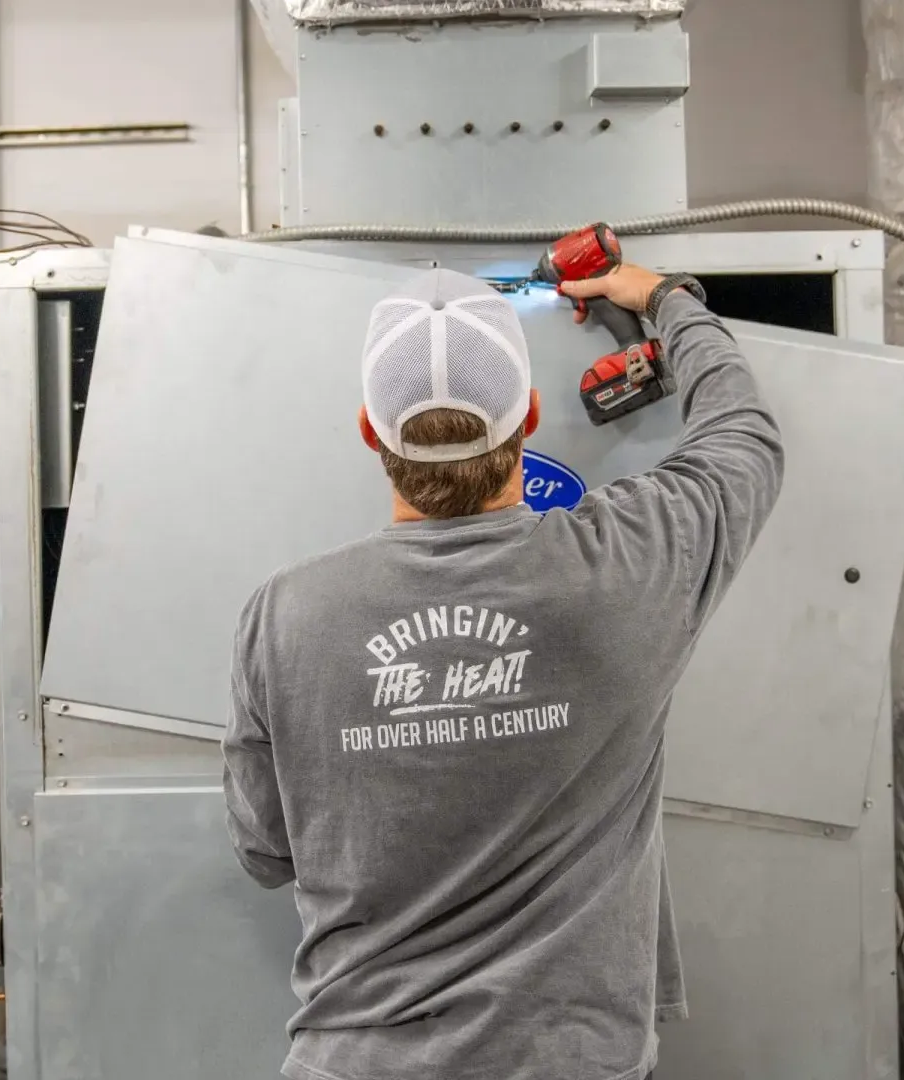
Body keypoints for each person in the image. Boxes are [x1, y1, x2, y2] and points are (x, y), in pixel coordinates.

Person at [222, 261, 785, 1080]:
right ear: (528, 414)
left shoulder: (281, 616)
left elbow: (264, 852)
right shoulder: (630, 562)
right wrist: (667, 303)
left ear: (370, 432)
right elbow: (744, 437)